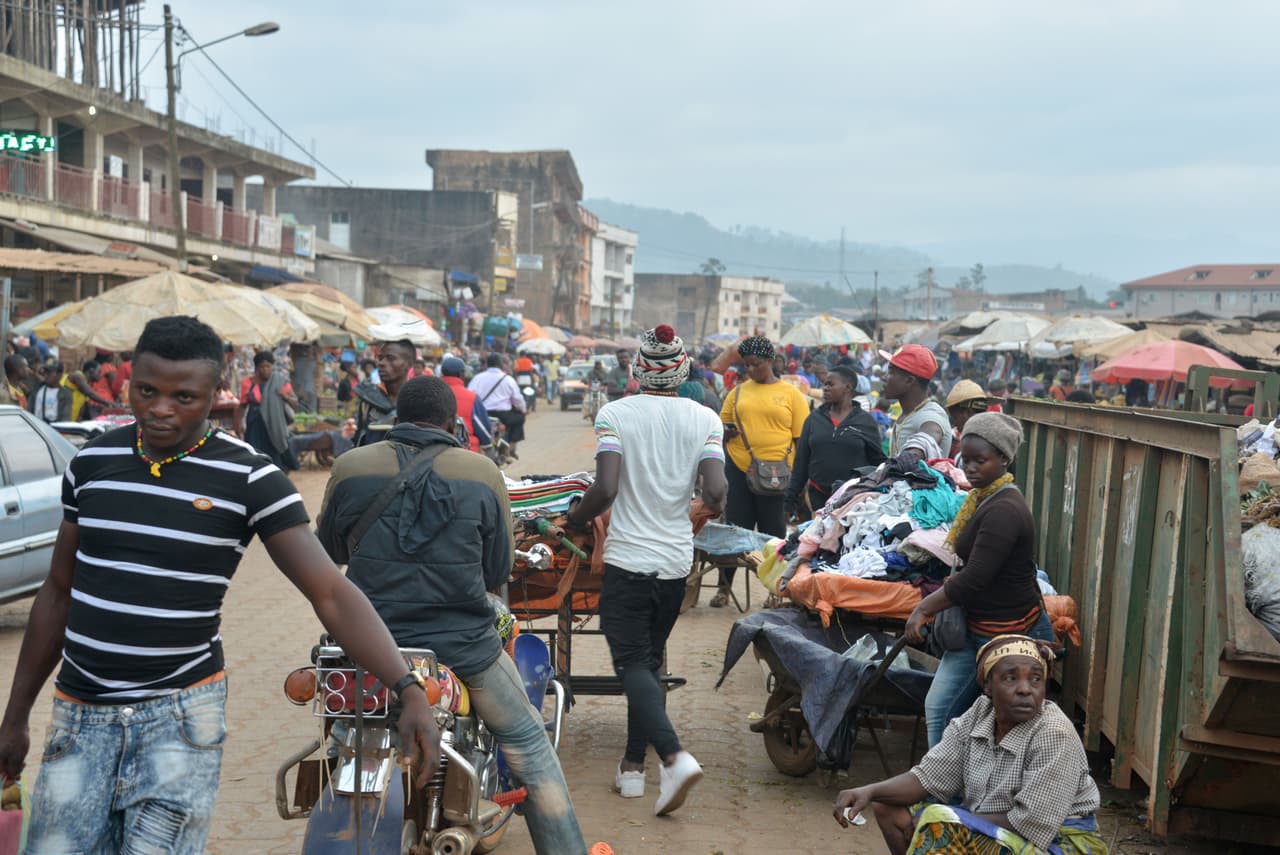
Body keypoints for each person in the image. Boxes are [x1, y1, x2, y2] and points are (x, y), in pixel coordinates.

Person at [0, 316, 440, 854]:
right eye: (147, 391)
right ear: (130, 383)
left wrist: (406, 686)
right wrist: (16, 716)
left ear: (216, 394)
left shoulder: (251, 479)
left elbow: (330, 592)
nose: (160, 409)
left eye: (183, 397)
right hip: (80, 715)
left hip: (177, 721)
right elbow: (58, 591)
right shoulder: (91, 464)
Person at [317, 376, 587, 854]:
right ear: (453, 423)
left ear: (396, 417)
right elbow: (497, 570)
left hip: (364, 644)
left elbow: (330, 552)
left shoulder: (350, 466)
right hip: (463, 648)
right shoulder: (481, 472)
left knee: (339, 729)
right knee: (528, 740)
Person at [564, 324, 727, 816]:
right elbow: (716, 494)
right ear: (684, 372)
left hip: (629, 560)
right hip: (675, 563)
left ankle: (673, 757)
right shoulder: (706, 419)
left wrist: (576, 518)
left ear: (637, 370)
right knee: (648, 662)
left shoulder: (615, 414)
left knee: (633, 664)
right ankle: (633, 768)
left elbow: (606, 488)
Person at [833, 634, 1106, 855]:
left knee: (941, 826)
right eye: (1011, 678)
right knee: (888, 808)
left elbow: (1031, 822)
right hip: (995, 826)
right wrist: (870, 791)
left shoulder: (1054, 732)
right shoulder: (979, 714)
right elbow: (928, 778)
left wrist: (952, 818)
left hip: (1058, 842)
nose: (1026, 689)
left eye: (1036, 679)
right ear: (987, 686)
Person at [904, 413, 1056, 746]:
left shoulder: (1004, 510)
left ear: (1003, 459)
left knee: (953, 712)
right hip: (980, 627)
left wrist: (924, 609)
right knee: (940, 708)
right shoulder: (983, 497)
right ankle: (943, 777)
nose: (970, 468)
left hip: (1009, 632)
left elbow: (974, 578)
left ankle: (948, 779)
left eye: (980, 461)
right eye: (967, 459)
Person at [715, 336, 809, 607]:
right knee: (734, 530)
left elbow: (801, 440)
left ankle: (775, 591)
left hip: (778, 474)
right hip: (739, 468)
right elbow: (721, 424)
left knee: (774, 533)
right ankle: (723, 589)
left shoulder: (792, 395)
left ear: (770, 361)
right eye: (746, 365)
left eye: (755, 364)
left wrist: (799, 480)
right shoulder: (738, 393)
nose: (750, 370)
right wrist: (726, 431)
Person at [786, 365, 886, 520]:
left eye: (830, 384)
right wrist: (789, 500)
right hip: (818, 497)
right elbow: (801, 463)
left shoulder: (865, 422)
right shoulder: (814, 419)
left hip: (852, 500)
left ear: (848, 388)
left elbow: (878, 462)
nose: (825, 388)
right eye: (824, 384)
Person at [881, 344, 950, 464]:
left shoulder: (931, 416)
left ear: (909, 381)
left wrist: (909, 456)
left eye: (890, 372)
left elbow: (929, 436)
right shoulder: (908, 413)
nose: (884, 377)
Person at [234, 351, 299, 471]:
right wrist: (238, 425)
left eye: (268, 366)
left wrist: (285, 397)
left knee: (275, 455)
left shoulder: (280, 381)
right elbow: (242, 406)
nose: (265, 370)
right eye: (261, 367)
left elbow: (295, 402)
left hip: (274, 425)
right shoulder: (248, 383)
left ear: (272, 366)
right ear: (256, 368)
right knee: (255, 455)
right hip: (255, 425)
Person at [353, 340, 415, 446]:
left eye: (390, 358)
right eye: (380, 358)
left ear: (409, 364)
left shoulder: (419, 400)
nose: (381, 363)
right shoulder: (368, 400)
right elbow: (359, 439)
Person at [470, 352, 527, 458]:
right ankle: (511, 448)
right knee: (520, 418)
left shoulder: (477, 378)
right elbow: (518, 400)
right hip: (503, 416)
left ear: (487, 364)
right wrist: (523, 410)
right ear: (501, 364)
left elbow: (470, 395)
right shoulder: (508, 379)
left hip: (483, 414)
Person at [440, 355, 493, 452]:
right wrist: (487, 443)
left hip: (436, 450)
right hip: (467, 450)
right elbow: (483, 429)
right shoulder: (472, 397)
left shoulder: (433, 393)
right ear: (461, 373)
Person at [944, 379, 992, 458]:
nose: (955, 424)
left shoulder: (963, 450)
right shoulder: (994, 439)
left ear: (968, 413)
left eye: (955, 418)